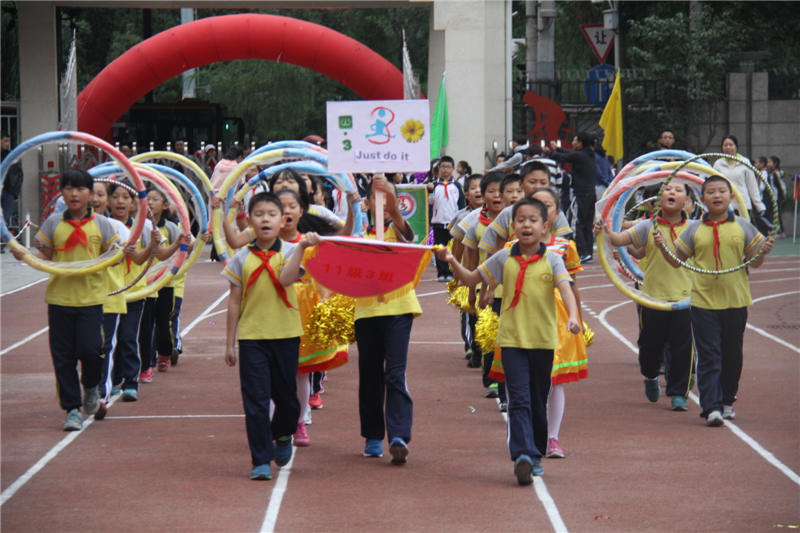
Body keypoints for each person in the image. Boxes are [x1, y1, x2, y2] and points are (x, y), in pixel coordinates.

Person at [437, 197, 581, 484]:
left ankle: (536, 451)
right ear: (512, 226)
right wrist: (452, 261)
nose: (526, 224)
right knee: (519, 399)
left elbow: (566, 288)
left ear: (545, 226)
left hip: (542, 342)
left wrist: (574, 316)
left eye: (533, 220)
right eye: (520, 220)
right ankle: (521, 455)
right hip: (512, 342)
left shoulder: (553, 258)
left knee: (539, 400)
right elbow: (469, 278)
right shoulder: (503, 257)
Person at [655, 176, 773, 426]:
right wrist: (663, 246)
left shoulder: (743, 226)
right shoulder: (695, 229)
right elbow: (677, 261)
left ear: (731, 197)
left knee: (732, 356)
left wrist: (761, 252)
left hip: (736, 300)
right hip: (703, 302)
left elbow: (755, 261)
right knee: (709, 355)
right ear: (702, 198)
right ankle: (711, 408)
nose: (717, 196)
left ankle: (727, 399)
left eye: (722, 191)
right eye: (710, 192)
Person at [11, 169, 120, 430]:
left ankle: (91, 387)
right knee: (63, 357)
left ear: (90, 194)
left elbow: (112, 255)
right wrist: (24, 254)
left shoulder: (103, 225)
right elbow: (45, 255)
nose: (74, 194)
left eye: (81, 189)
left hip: (91, 300)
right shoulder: (53, 223)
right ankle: (72, 408)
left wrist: (122, 252)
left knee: (91, 350)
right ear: (61, 192)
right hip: (60, 300)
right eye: (69, 188)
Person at [222, 191, 319, 480]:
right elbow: (234, 301)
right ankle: (260, 460)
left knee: (288, 399)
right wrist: (230, 343)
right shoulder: (241, 258)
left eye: (272, 214)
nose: (265, 219)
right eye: (259, 214)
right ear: (250, 221)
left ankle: (283, 434)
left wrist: (301, 248)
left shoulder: (290, 251)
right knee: (255, 400)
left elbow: (286, 278)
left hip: (286, 335)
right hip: (253, 338)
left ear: (282, 220)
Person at [594, 181, 695, 411]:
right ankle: (650, 376)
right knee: (650, 346)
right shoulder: (647, 226)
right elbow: (620, 241)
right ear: (657, 199)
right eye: (667, 189)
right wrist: (606, 231)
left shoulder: (694, 228)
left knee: (682, 348)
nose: (672, 192)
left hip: (684, 298)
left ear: (687, 202)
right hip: (653, 297)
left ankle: (678, 393)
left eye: (679, 190)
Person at [356, 175, 420, 464]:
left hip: (399, 309)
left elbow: (410, 237)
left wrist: (394, 211)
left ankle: (398, 435)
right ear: (367, 203)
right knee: (370, 375)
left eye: (390, 197)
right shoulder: (359, 234)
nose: (384, 202)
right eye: (378, 197)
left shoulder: (399, 231)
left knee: (395, 372)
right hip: (367, 311)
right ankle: (372, 435)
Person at [102, 180, 160, 411]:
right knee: (107, 341)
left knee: (127, 337)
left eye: (126, 197)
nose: (120, 201)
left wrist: (177, 243)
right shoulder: (103, 225)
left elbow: (145, 257)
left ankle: (131, 381)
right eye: (115, 196)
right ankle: (113, 380)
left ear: (135, 203)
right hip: (110, 291)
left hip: (134, 292)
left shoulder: (143, 226)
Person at [138, 186, 187, 381]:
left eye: (155, 199)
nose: (149, 202)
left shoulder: (172, 228)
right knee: (146, 324)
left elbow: (184, 249)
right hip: (145, 284)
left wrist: (191, 241)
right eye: (147, 199)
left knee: (163, 322)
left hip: (165, 282)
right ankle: (147, 362)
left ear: (166, 205)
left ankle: (165, 352)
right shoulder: (141, 227)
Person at [547, 133, 597, 262]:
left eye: (575, 140)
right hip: (591, 193)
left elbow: (563, 157)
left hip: (580, 193)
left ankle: (581, 252)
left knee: (578, 223)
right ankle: (588, 252)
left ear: (580, 143)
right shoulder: (588, 154)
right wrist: (557, 148)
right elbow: (568, 153)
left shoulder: (579, 155)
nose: (573, 142)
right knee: (587, 223)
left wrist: (549, 152)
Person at [428, 155, 465, 281]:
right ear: (439, 168)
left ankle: (450, 272)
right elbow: (430, 203)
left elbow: (461, 205)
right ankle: (441, 273)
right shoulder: (433, 186)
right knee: (439, 249)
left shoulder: (457, 186)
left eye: (448, 167)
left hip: (452, 223)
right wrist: (430, 191)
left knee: (452, 249)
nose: (445, 169)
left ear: (453, 169)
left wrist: (461, 221)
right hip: (438, 223)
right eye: (443, 167)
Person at [712, 135, 765, 218]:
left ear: (736, 146)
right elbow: (712, 184)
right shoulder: (718, 164)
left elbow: (752, 185)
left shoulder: (745, 162)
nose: (728, 147)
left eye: (731, 145)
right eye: (725, 145)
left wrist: (759, 205)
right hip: (724, 205)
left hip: (743, 205)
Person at [1, 133, 23, 249]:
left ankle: (2, 245)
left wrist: (14, 191)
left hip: (8, 191)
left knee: (5, 217)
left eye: (8, 141)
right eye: (5, 141)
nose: (7, 144)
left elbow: (19, 174)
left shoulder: (12, 156)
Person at [766, 155, 787, 236]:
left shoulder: (777, 173)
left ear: (775, 164)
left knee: (777, 215)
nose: (767, 164)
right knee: (773, 214)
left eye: (769, 162)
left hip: (777, 197)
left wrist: (782, 196)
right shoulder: (769, 173)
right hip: (772, 197)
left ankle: (781, 232)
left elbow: (781, 185)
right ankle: (775, 230)